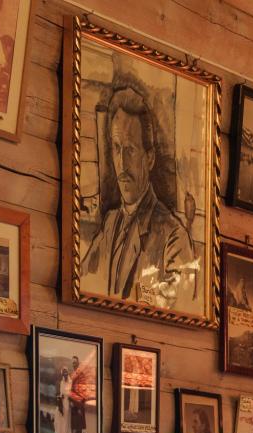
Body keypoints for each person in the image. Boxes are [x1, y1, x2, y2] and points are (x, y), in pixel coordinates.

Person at [80, 78, 198, 313]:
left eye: (131, 150)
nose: (121, 164)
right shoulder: (111, 224)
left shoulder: (173, 238)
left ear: (150, 157)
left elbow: (183, 309)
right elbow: (81, 281)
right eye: (117, 149)